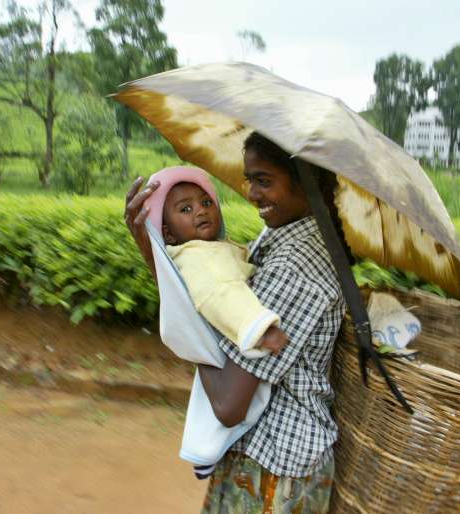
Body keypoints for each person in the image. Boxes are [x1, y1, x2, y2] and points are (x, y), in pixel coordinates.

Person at [125, 132, 345, 513]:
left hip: (277, 464)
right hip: (262, 453)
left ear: (305, 179)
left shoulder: (294, 266)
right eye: (250, 180)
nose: (252, 194)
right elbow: (212, 295)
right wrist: (159, 257)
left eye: (264, 181)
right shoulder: (280, 237)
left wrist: (192, 327)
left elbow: (228, 402)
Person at [143, 166, 289, 359]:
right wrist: (259, 327)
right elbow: (219, 292)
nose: (201, 211)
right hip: (238, 350)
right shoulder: (195, 259)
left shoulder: (212, 248)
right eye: (186, 209)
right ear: (168, 234)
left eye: (206, 202)